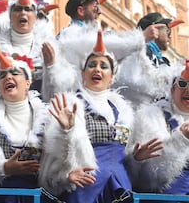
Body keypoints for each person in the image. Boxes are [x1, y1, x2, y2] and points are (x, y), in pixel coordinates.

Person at [39, 30, 162, 203]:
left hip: (119, 187)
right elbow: (54, 154)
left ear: (111, 78)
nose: (97, 69)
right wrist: (65, 174)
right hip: (85, 189)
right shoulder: (71, 105)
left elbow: (125, 159)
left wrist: (136, 158)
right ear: (83, 74)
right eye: (92, 65)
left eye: (104, 66)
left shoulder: (125, 112)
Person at [0, 48, 55, 203]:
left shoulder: (48, 116)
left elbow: (58, 162)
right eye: (2, 75)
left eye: (15, 72)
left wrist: (67, 131)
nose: (8, 77)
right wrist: (4, 168)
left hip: (39, 195)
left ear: (28, 82)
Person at [125, 60, 189, 197]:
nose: (188, 90)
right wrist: (181, 140)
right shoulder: (149, 117)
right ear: (172, 90)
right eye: (183, 84)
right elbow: (146, 180)